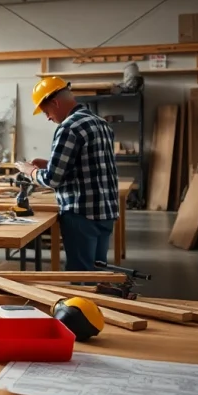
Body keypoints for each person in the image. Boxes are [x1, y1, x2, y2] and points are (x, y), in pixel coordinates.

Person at [16, 77, 118, 272]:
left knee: (81, 276)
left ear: (55, 102)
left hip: (81, 214)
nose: (47, 117)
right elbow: (89, 165)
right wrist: (50, 164)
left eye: (46, 111)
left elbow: (52, 179)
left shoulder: (68, 127)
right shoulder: (100, 123)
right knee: (98, 272)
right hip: (105, 212)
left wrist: (30, 171)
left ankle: (80, 304)